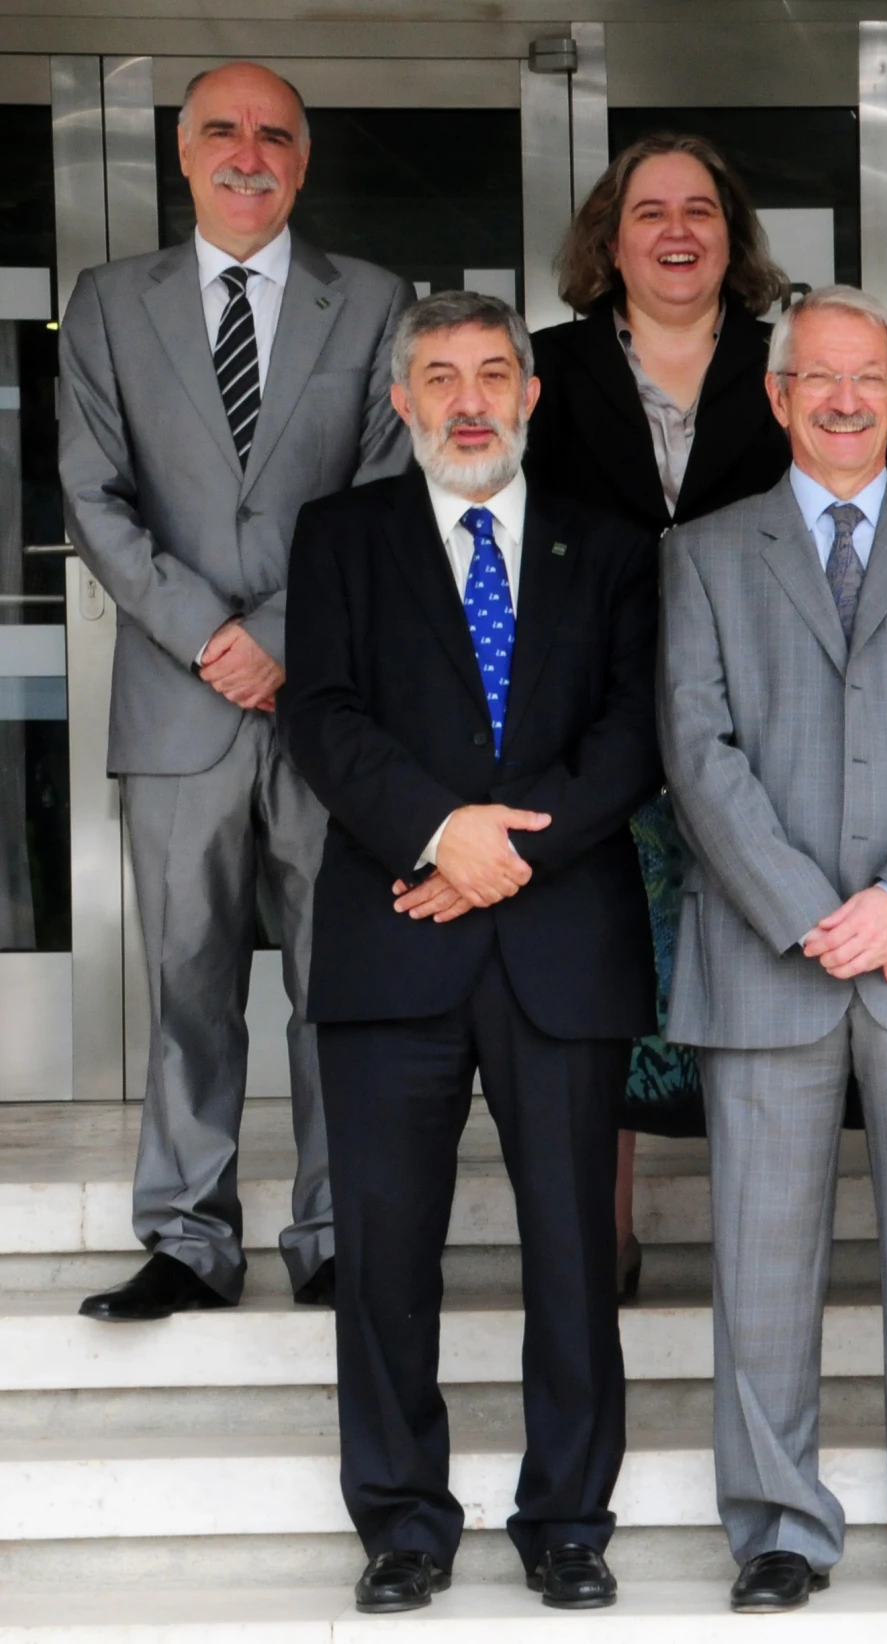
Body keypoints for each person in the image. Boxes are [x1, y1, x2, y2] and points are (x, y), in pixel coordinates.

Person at [280, 291, 658, 1614]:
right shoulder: (340, 538)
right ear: (402, 402)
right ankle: (402, 1519)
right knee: (385, 1254)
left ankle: (568, 1517)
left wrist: (512, 852)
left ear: (534, 393)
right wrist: (442, 835)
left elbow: (632, 731)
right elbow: (321, 718)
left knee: (573, 1250)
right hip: (395, 937)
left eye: (494, 373)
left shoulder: (606, 547)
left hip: (560, 942)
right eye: (440, 377)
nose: (470, 400)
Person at [658, 285, 887, 1614]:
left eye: (868, 375)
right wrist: (809, 907)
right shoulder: (703, 554)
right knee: (761, 1260)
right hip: (771, 954)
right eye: (817, 376)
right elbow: (696, 753)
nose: (844, 397)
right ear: (774, 397)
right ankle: (776, 1527)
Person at [59, 62, 410, 1323]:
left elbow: (385, 490)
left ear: (303, 162)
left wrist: (281, 635)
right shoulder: (106, 305)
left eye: (275, 135)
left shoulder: (372, 304)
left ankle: (332, 1232)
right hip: (176, 699)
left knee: (339, 979)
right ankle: (188, 1238)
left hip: (328, 702)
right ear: (182, 153)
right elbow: (92, 494)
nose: (249, 152)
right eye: (223, 131)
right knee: (186, 984)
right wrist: (213, 636)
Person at [526, 131, 795, 1300]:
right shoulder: (544, 367)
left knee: (750, 970)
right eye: (649, 211)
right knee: (601, 976)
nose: (676, 229)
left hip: (764, 719)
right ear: (609, 235)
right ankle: (606, 1239)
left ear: (730, 236)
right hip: (595, 720)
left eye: (701, 207)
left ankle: (757, 1244)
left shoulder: (791, 365)